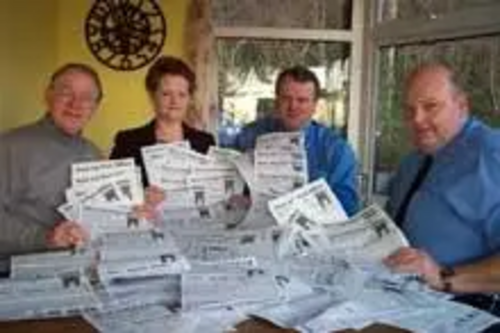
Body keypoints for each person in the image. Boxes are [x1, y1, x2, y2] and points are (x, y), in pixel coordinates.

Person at [384, 63, 500, 317]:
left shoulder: (491, 157)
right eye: (409, 110)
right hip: (401, 301)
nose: (417, 119)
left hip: (467, 312)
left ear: (462, 105)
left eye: (430, 106)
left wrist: (443, 276)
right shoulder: (413, 161)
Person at [0, 63, 103, 266]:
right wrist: (46, 237)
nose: (75, 103)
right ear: (48, 96)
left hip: (79, 269)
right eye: (66, 92)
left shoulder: (93, 152)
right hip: (19, 275)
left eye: (86, 97)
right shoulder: (9, 146)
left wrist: (134, 211)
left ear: (95, 106)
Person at [232, 66, 359, 216]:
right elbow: (230, 184)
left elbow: (347, 208)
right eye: (286, 98)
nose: (293, 106)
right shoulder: (249, 135)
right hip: (255, 230)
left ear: (314, 105)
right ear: (276, 100)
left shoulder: (337, 150)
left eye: (302, 100)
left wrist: (285, 207)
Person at [110, 56, 215, 185]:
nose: (175, 101)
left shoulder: (206, 142)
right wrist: (142, 196)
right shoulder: (127, 141)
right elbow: (115, 193)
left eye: (182, 94)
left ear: (190, 98)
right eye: (166, 94)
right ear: (152, 96)